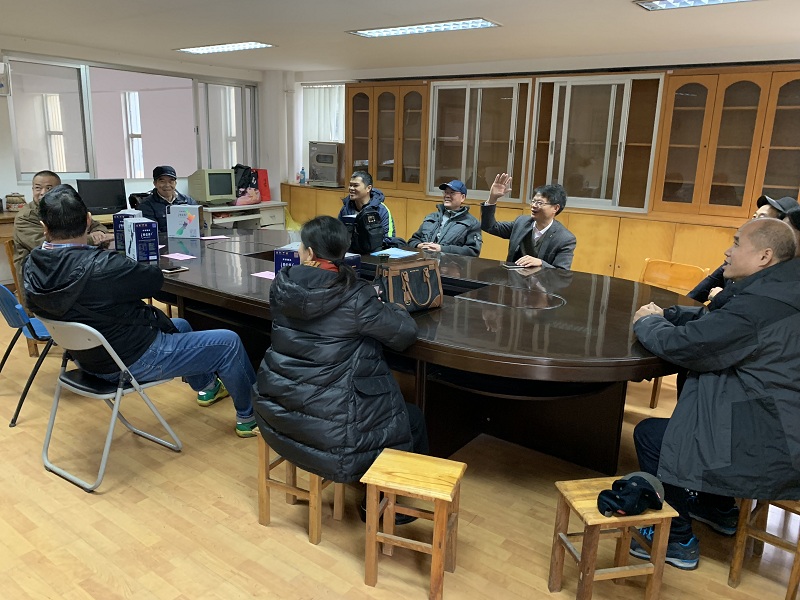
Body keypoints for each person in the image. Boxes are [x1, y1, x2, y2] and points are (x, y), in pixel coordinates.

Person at [629, 218, 800, 570]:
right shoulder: (782, 290)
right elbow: (719, 322)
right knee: (700, 406)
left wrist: (648, 322)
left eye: (736, 243)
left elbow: (690, 346)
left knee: (653, 436)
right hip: (781, 420)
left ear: (765, 256)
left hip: (772, 439)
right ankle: (717, 508)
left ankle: (677, 540)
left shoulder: (760, 306)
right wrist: (671, 314)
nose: (727, 251)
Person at [23, 184, 258, 437]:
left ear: (44, 227)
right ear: (88, 220)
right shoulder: (106, 266)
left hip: (87, 358)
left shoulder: (32, 265)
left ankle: (208, 386)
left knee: (181, 325)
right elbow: (153, 281)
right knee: (228, 342)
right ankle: (251, 418)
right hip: (130, 360)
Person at [254, 215, 428, 488]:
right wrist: (394, 308)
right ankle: (384, 501)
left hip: (277, 411)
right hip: (332, 430)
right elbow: (404, 335)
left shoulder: (282, 286)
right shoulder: (355, 295)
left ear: (309, 252)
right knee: (412, 418)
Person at [688, 194, 799, 302]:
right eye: (754, 217)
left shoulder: (778, 275)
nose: (752, 222)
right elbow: (704, 288)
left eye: (762, 218)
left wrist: (720, 297)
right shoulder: (738, 258)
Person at [13, 170, 112, 283]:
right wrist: (93, 239)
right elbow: (50, 246)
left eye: (49, 188)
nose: (42, 192)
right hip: (38, 277)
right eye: (38, 188)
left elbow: (94, 225)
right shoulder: (25, 217)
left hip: (72, 265)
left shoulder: (66, 207)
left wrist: (100, 233)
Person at [480, 173, 576, 269]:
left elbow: (562, 272)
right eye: (533, 201)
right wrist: (492, 199)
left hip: (542, 279)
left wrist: (541, 263)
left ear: (555, 208)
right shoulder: (521, 222)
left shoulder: (565, 239)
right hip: (513, 277)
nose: (533, 205)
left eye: (539, 203)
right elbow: (490, 227)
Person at [407, 179, 482, 256]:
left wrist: (442, 249)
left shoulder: (472, 223)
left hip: (450, 262)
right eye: (446, 192)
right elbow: (412, 241)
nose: (447, 196)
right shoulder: (432, 217)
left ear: (462, 197)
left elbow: (473, 251)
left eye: (452, 193)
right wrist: (419, 245)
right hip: (425, 260)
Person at [337, 171, 396, 252]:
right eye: (350, 185)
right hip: (350, 254)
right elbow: (338, 234)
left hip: (374, 254)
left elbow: (389, 239)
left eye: (355, 185)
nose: (351, 188)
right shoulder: (346, 209)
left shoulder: (381, 210)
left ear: (368, 188)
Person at [138, 165, 198, 232]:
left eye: (171, 181)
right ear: (155, 183)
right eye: (162, 181)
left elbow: (202, 226)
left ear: (175, 183)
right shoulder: (146, 205)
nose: (167, 185)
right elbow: (152, 231)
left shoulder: (188, 201)